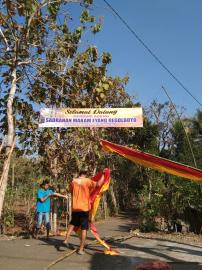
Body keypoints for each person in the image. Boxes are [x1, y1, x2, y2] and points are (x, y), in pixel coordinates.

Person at [63, 169, 105, 255]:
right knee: (84, 228)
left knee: (72, 224)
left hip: (75, 208)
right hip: (84, 208)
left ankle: (66, 239)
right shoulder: (87, 181)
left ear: (79, 174)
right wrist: (104, 174)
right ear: (85, 174)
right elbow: (99, 184)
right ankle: (81, 249)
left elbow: (71, 191)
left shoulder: (73, 181)